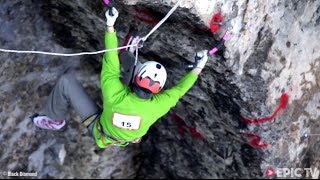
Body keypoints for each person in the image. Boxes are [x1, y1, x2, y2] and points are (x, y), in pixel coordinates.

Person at [31, 7, 209, 148]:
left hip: (100, 130)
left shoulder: (114, 93)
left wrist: (110, 26)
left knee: (66, 81)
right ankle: (131, 58)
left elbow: (110, 59)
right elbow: (179, 91)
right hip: (123, 135)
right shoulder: (158, 106)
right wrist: (198, 68)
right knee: (122, 88)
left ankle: (54, 119)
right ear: (159, 90)